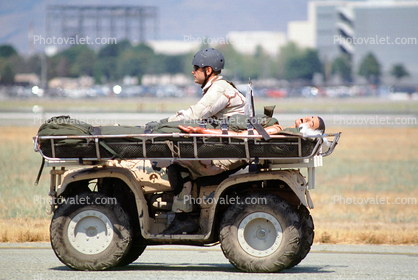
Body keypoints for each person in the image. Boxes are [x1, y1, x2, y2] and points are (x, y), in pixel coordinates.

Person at [162, 116, 325, 234]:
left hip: (223, 161)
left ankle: (183, 218)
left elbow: (247, 136)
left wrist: (203, 131)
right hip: (230, 157)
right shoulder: (287, 132)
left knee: (178, 166)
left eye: (311, 122)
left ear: (311, 130)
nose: (305, 119)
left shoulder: (279, 130)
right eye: (308, 117)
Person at [162, 48, 246, 234]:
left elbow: (195, 114)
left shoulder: (219, 89)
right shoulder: (220, 87)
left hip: (228, 152)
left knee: (178, 166)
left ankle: (183, 219)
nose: (192, 71)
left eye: (196, 68)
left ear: (208, 70)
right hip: (228, 147)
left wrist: (163, 123)